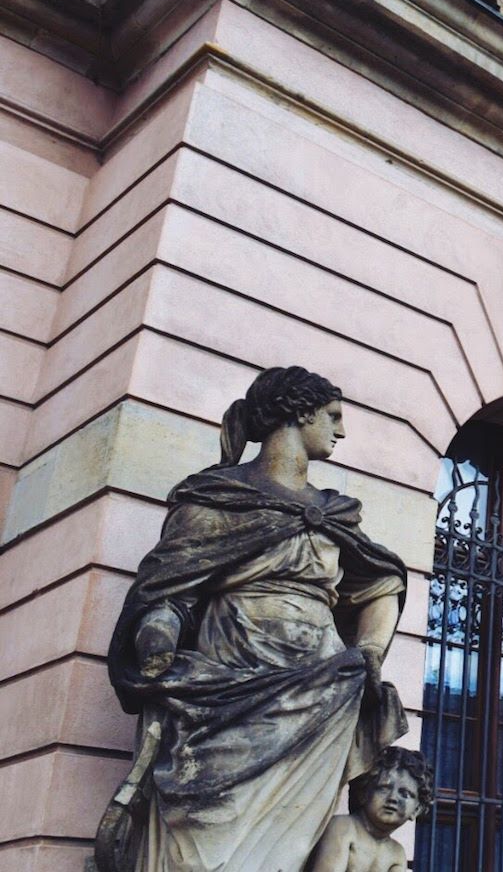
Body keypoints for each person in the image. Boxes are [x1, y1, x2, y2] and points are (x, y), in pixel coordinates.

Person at [101, 366, 409, 871]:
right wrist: (159, 635)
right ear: (298, 413)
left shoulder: (335, 513)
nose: (342, 430)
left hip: (319, 688)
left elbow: (383, 583)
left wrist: (371, 652)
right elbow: (169, 589)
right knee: (200, 827)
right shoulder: (218, 497)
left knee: (285, 844)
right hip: (228, 678)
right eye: (332, 416)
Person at [308, 746, 433, 872]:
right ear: (364, 792)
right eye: (384, 788)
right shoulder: (343, 827)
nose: (393, 798)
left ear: (416, 810)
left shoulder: (396, 852)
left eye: (404, 794)